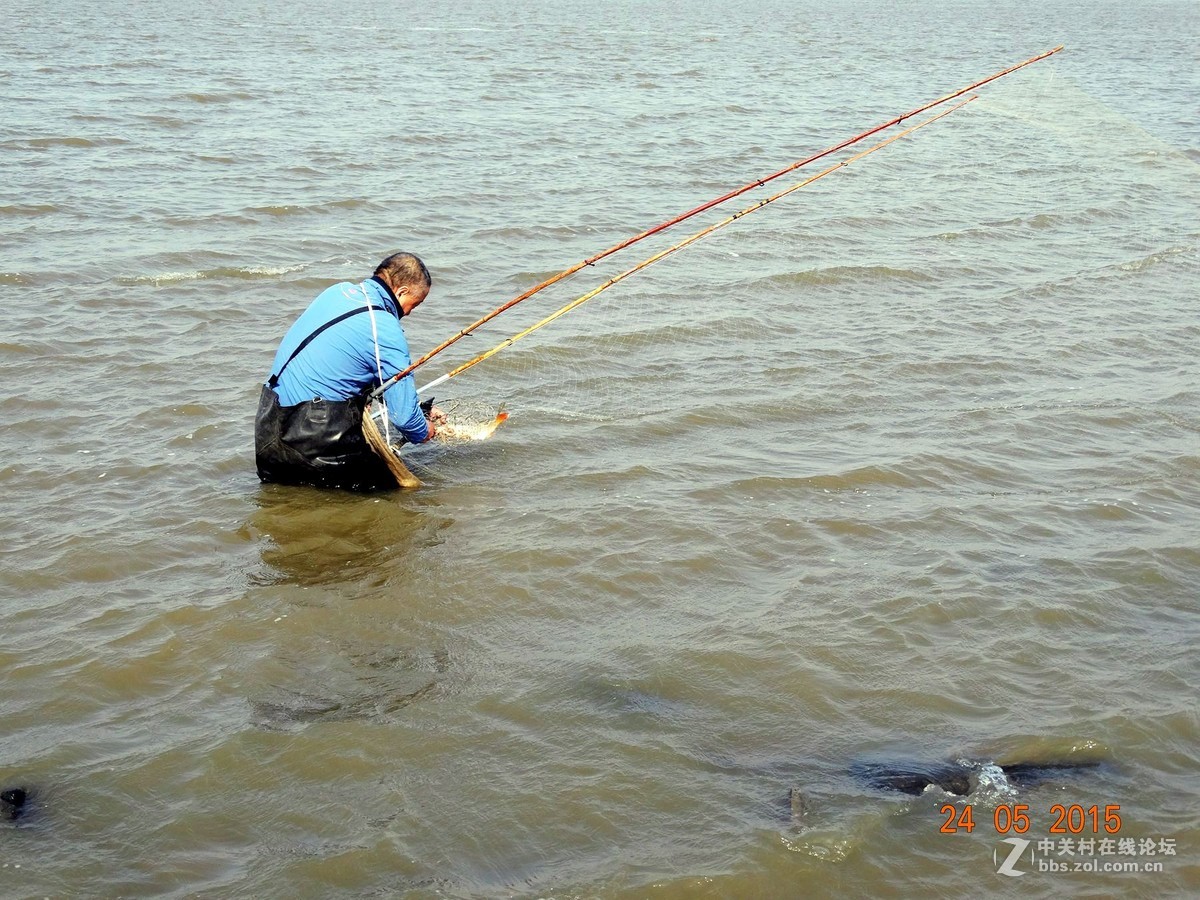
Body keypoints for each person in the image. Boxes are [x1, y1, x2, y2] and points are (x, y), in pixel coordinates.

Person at [255, 251, 442, 491]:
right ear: (401, 292)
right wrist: (423, 429)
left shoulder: (335, 293)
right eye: (415, 304)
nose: (408, 312)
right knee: (401, 501)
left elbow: (345, 366)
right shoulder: (384, 327)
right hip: (317, 444)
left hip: (268, 430)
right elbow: (405, 420)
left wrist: (420, 409)